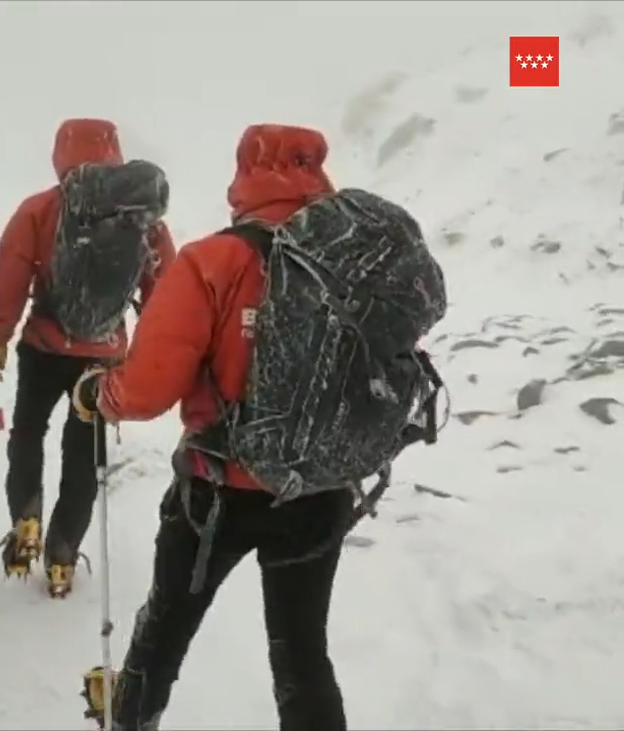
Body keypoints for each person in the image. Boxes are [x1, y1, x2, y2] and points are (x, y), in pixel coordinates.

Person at [70, 124, 447, 730]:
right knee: (301, 655)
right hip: (317, 489)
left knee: (164, 630)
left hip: (217, 493)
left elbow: (145, 390)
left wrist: (100, 394)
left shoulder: (214, 261)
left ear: (245, 172)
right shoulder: (359, 267)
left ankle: (132, 719)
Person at [0, 118, 177, 598]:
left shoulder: (42, 209)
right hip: (104, 356)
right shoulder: (143, 217)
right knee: (84, 455)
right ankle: (63, 554)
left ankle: (26, 520)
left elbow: (11, 271)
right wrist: (147, 353)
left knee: (28, 433)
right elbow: (166, 292)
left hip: (44, 347)